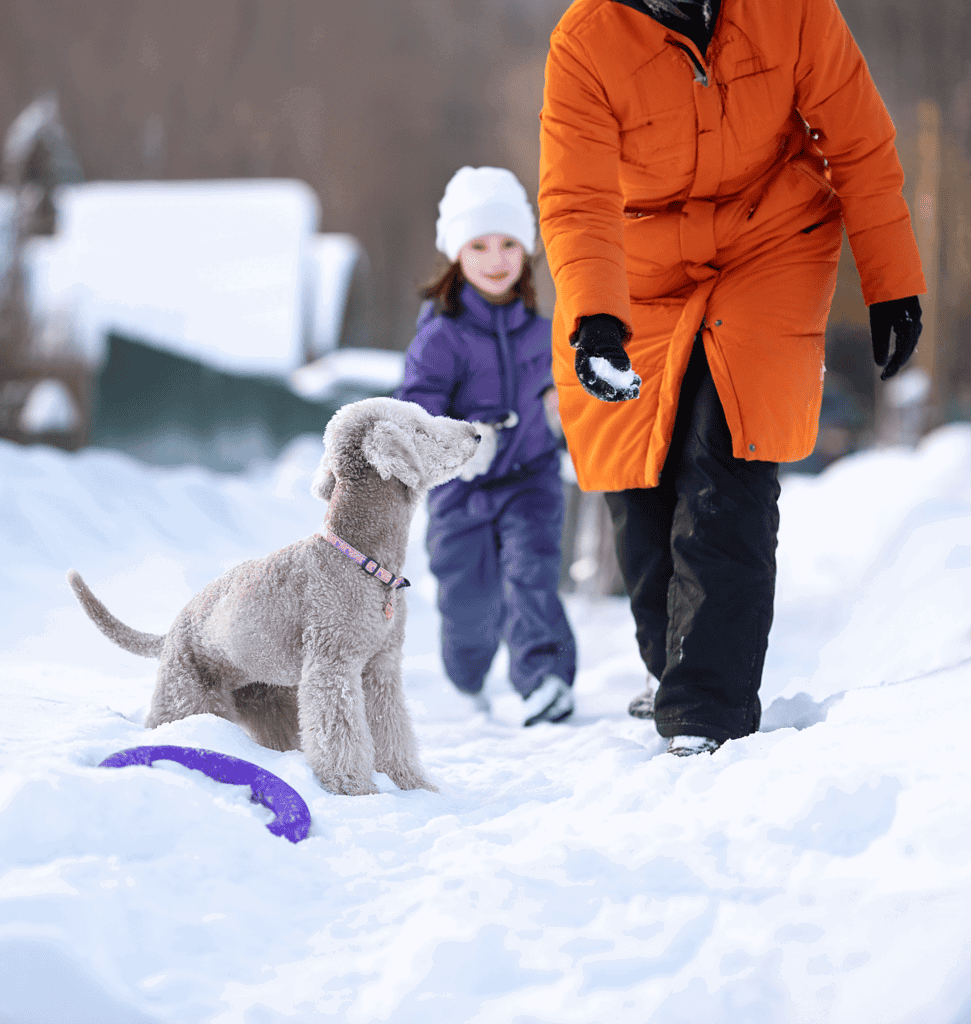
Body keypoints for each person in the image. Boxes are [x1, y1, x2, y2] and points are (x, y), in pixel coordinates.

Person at [538, 0, 926, 755]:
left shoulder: (796, 11)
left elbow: (859, 140)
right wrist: (596, 320)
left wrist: (893, 282)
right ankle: (672, 667)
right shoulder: (585, 40)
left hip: (768, 239)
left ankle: (706, 711)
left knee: (728, 453)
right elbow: (576, 195)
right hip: (635, 264)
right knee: (637, 474)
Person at [396, 166, 577, 725]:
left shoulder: (545, 332)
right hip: (461, 493)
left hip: (531, 480)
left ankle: (544, 679)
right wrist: (459, 446)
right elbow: (413, 414)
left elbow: (569, 398)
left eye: (508, 244)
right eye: (479, 245)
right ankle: (467, 673)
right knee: (470, 604)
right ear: (456, 254)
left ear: (526, 250)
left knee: (533, 572)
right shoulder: (439, 338)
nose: (496, 259)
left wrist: (560, 421)